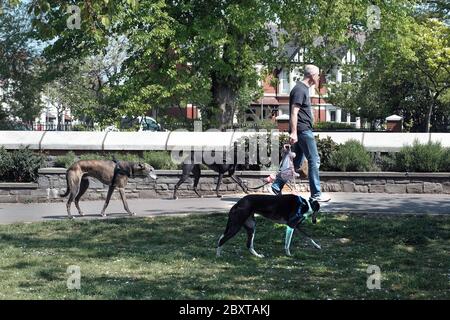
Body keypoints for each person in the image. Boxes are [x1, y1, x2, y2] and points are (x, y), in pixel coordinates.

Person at [286, 64, 330, 202]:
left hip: (301, 130)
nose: (319, 78)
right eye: (318, 75)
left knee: (297, 162)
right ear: (311, 76)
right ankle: (316, 195)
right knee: (314, 160)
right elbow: (294, 112)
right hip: (303, 130)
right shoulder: (300, 89)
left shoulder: (303, 89)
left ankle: (276, 186)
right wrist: (294, 133)